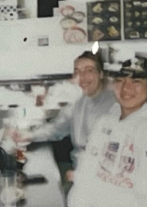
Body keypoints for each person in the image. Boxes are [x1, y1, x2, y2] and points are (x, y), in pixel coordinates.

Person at [67, 57, 147, 207]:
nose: (126, 88)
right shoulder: (105, 121)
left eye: (136, 82)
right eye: (121, 81)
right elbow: (84, 175)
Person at [12, 50, 116, 186]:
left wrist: (85, 176)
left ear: (101, 73)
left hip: (102, 177)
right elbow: (57, 128)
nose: (82, 77)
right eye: (77, 72)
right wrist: (29, 135)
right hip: (79, 170)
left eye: (89, 70)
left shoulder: (115, 104)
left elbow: (114, 153)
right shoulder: (79, 102)